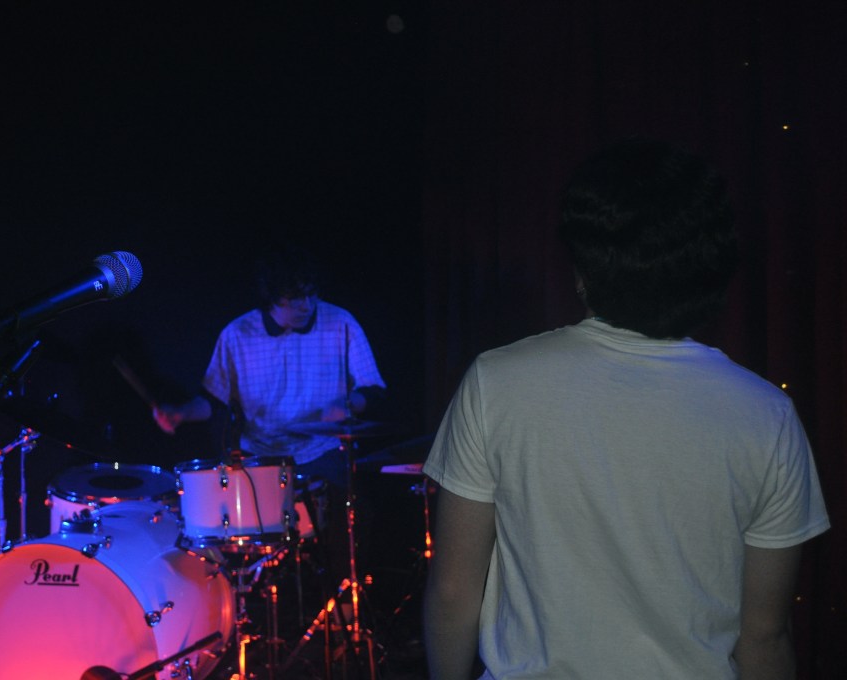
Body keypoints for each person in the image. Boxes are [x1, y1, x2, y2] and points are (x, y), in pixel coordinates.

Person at [422, 138, 830, 680]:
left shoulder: (495, 382)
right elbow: (764, 636)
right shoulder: (767, 414)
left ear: (584, 264)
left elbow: (454, 592)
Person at [153, 243, 387, 579]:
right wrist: (181, 414)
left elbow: (374, 389)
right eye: (294, 299)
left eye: (311, 295)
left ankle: (344, 597)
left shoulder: (341, 322)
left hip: (321, 451)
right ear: (272, 299)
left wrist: (347, 404)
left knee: (355, 516)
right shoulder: (237, 334)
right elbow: (214, 402)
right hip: (260, 457)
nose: (306, 305)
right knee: (234, 532)